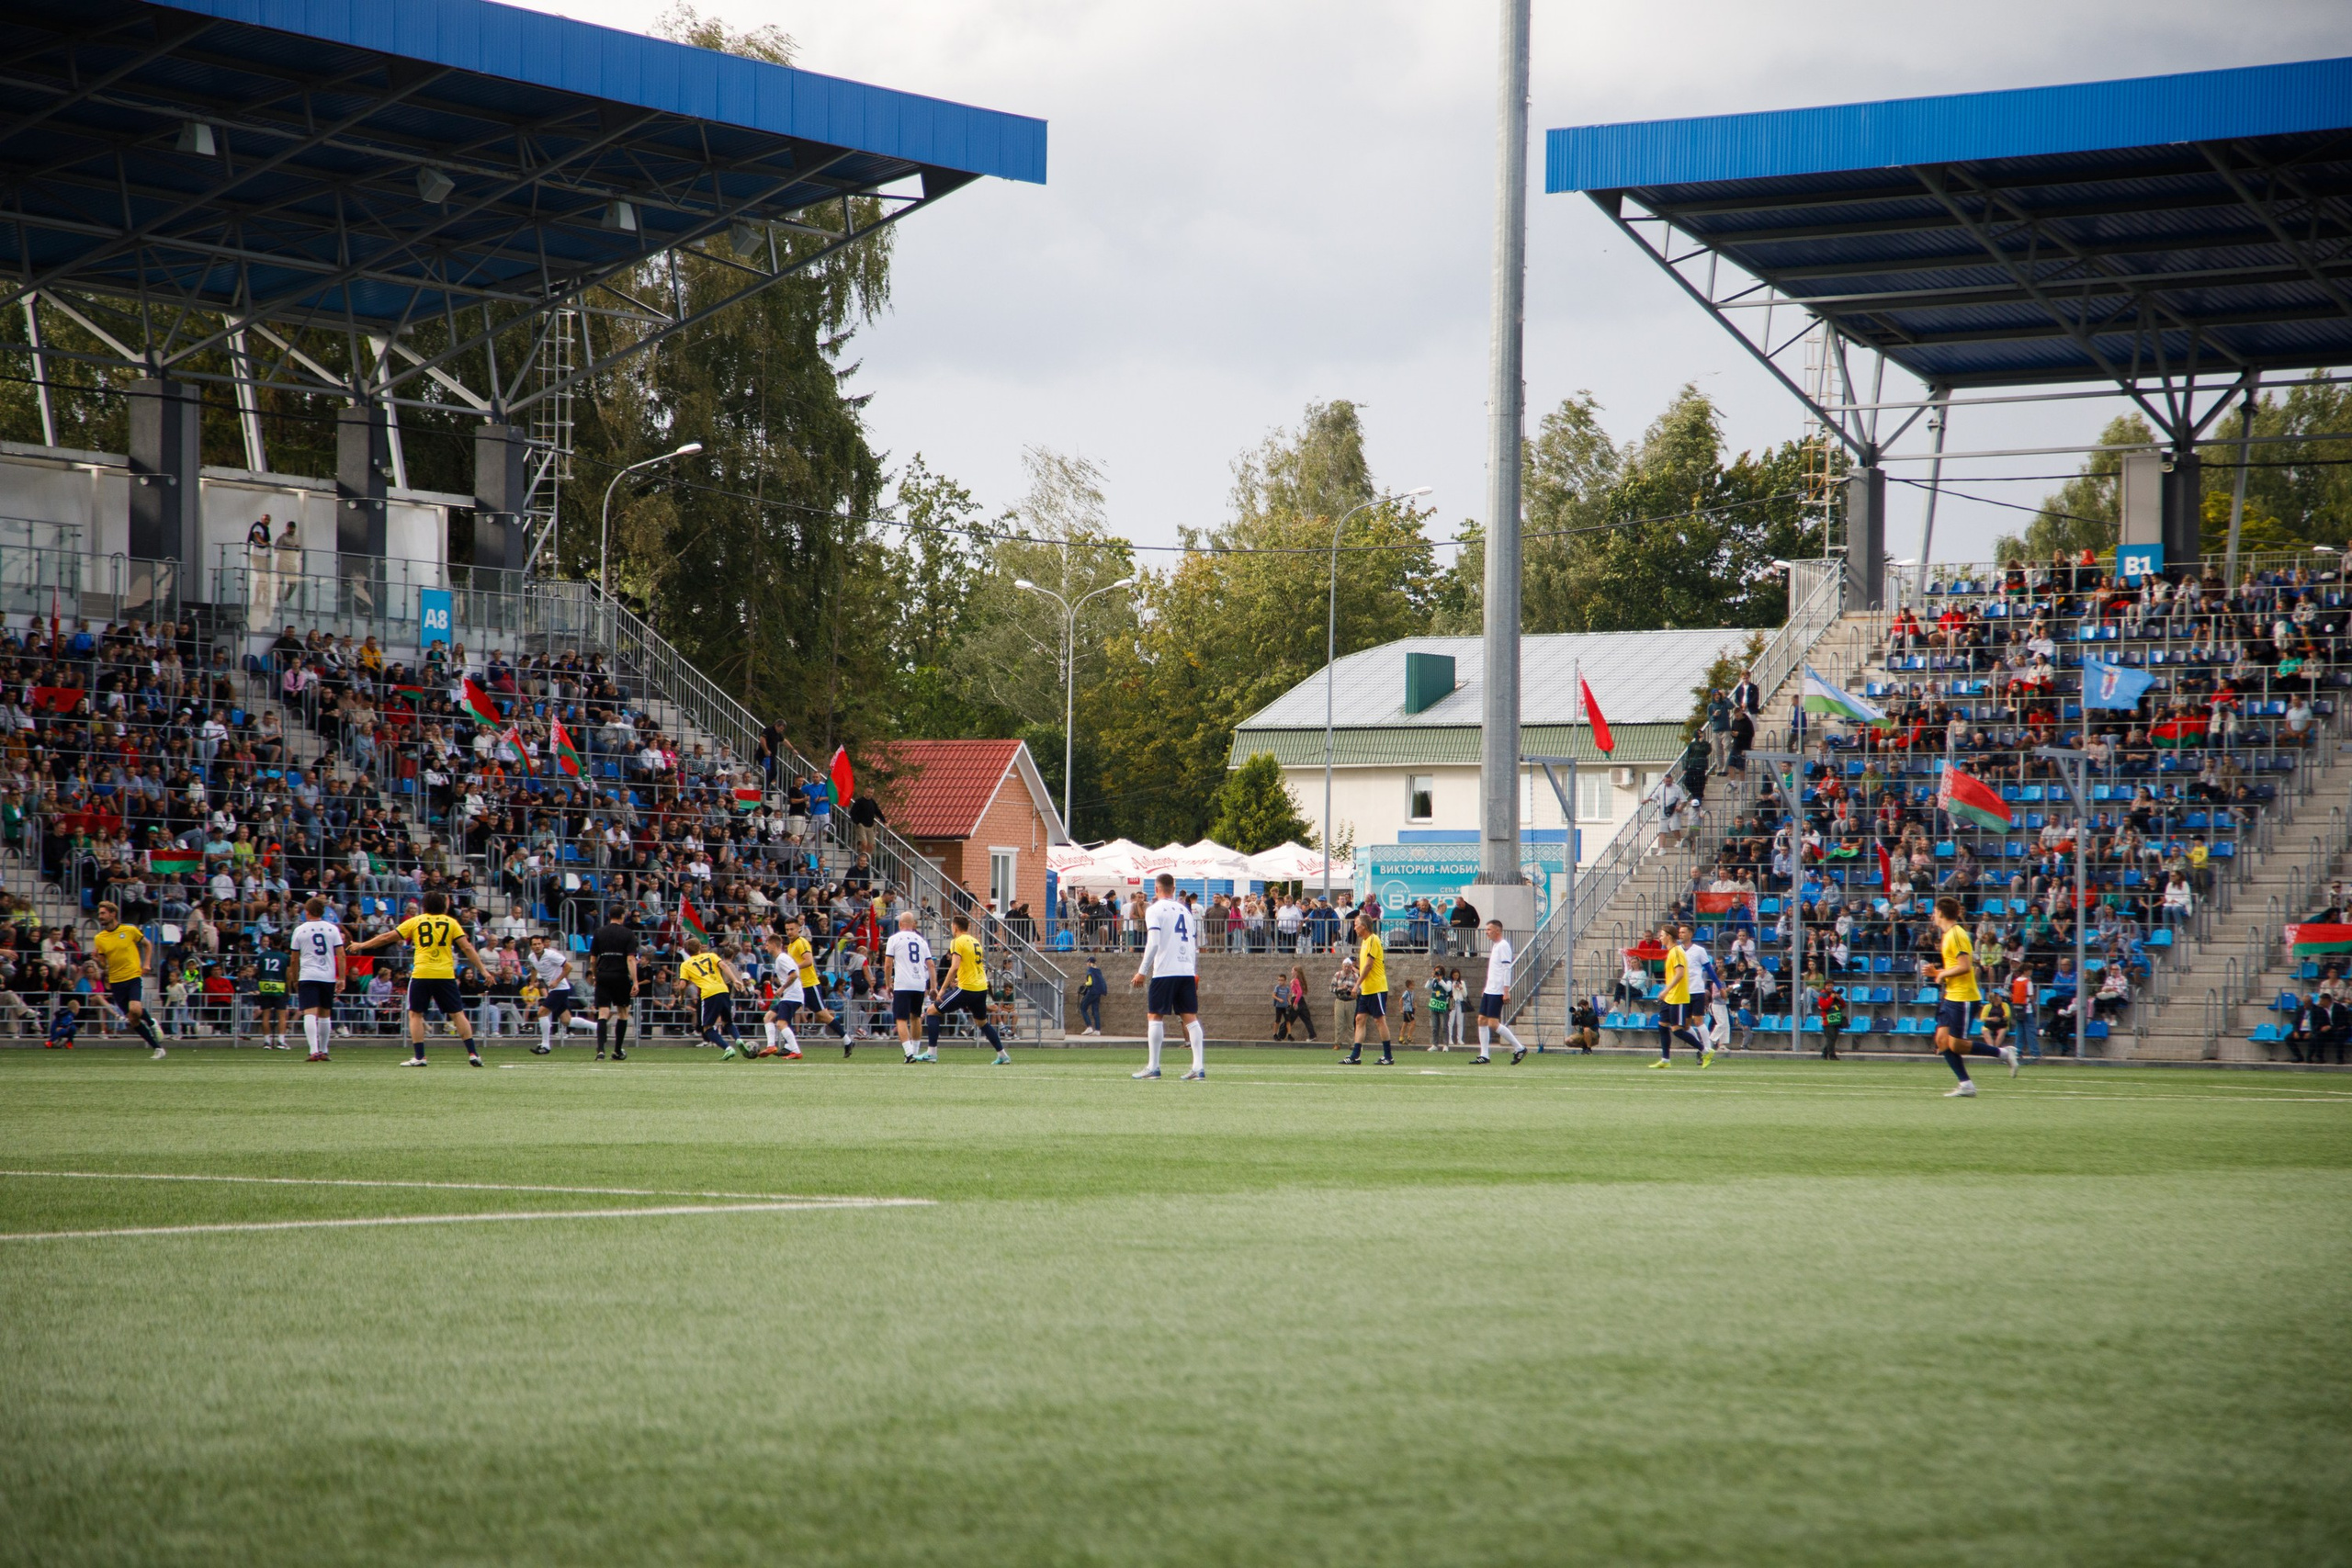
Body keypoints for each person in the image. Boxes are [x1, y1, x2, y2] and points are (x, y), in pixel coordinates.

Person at [347, 890, 487, 1066]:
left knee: (415, 1013)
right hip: (444, 974)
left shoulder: (416, 921)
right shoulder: (451, 922)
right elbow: (467, 948)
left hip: (422, 973)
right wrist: (483, 971)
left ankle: (420, 1057)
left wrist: (361, 945)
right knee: (457, 1013)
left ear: (425, 905)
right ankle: (473, 1054)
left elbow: (386, 937)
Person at [1925, 896, 2018, 1098]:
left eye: (1934, 912)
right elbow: (1955, 967)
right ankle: (1966, 1084)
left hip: (1963, 997)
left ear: (1940, 913)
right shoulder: (1948, 935)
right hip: (1951, 995)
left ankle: (2003, 1053)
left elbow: (1965, 966)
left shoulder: (1956, 934)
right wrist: (1937, 972)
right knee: (1942, 1041)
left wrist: (1941, 975)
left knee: (1957, 1044)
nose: (1932, 915)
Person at [1128, 872, 1204, 1080]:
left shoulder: (1154, 910)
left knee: (1154, 1016)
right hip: (1186, 970)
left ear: (1156, 888)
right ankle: (1198, 1067)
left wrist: (1142, 971)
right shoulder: (1186, 911)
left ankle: (1153, 1066)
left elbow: (1153, 942)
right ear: (1174, 888)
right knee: (1190, 1017)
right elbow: (1192, 944)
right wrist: (1192, 970)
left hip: (1165, 971)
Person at [925, 913, 1010, 1065]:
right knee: (982, 1022)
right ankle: (1003, 1055)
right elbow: (973, 966)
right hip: (981, 987)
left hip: (967, 989)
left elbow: (955, 966)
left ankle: (931, 1053)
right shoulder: (975, 941)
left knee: (931, 1011)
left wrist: (942, 989)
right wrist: (961, 978)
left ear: (955, 927)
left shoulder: (957, 941)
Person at [90, 902, 166, 1058]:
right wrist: (98, 960)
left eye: (103, 913)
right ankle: (158, 1048)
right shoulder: (99, 938)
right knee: (133, 1019)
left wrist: (146, 963)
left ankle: (151, 1022)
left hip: (132, 976)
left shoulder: (129, 930)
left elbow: (147, 944)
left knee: (135, 1009)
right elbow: (104, 964)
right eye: (99, 914)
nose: (100, 916)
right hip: (116, 981)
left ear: (113, 914)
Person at [290, 897, 345, 1062]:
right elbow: (341, 955)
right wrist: (342, 978)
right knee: (325, 1014)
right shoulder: (332, 929)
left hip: (308, 975)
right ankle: (324, 1050)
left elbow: (294, 958)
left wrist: (295, 978)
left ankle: (313, 1051)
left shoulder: (300, 930)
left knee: (309, 1013)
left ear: (307, 912)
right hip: (327, 976)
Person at [1340, 911, 1394, 1066]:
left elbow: (1369, 966)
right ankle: (1355, 1055)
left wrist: (1356, 985)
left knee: (1379, 1020)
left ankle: (1388, 1056)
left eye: (1356, 924)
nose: (1354, 928)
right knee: (1359, 1019)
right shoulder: (1364, 942)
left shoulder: (1372, 939)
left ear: (1363, 926)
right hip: (1367, 988)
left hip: (1376, 987)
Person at [881, 912, 934, 1063]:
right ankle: (915, 1052)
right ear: (914, 924)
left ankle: (909, 1053)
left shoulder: (894, 939)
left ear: (900, 924)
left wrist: (888, 984)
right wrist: (933, 986)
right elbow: (931, 965)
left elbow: (888, 964)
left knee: (901, 1018)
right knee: (916, 1017)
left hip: (903, 983)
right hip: (919, 983)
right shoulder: (921, 940)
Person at [680, 937, 747, 1056]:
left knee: (707, 1028)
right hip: (723, 990)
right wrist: (735, 980)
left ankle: (728, 1049)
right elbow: (724, 966)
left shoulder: (685, 965)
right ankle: (738, 1039)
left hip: (708, 994)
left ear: (686, 952)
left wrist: (681, 996)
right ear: (700, 947)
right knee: (728, 1021)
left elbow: (682, 985)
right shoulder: (711, 955)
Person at [586, 910, 639, 1062]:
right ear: (622, 916)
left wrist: (595, 975)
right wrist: (635, 981)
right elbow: (630, 959)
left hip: (603, 975)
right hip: (620, 976)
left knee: (603, 1013)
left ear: (609, 916)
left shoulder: (599, 932)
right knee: (623, 1013)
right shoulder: (628, 933)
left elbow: (593, 959)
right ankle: (617, 1050)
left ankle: (600, 1050)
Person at [1476, 917, 1529, 1064]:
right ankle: (1484, 1055)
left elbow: (1506, 969)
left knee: (1493, 1023)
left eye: (1489, 930)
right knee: (1481, 1020)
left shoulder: (1504, 945)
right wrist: (1487, 987)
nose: (1487, 932)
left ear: (1497, 930)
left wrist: (1506, 990)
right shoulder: (1495, 946)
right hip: (1490, 989)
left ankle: (1520, 1048)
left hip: (1498, 990)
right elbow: (1494, 970)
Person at [1651, 923, 1705, 1068]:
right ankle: (1665, 1060)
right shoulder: (1671, 952)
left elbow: (1680, 973)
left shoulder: (1676, 952)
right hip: (1670, 996)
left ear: (1669, 937)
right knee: (1662, 1026)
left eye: (1662, 936)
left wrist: (1665, 990)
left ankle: (1705, 1050)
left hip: (1678, 996)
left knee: (1677, 1030)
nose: (1660, 938)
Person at [528, 934, 576, 1056]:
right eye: (534, 944)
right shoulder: (531, 957)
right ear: (531, 946)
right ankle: (598, 1027)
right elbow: (534, 969)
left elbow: (569, 967)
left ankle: (545, 1045)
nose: (537, 946)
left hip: (560, 988)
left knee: (541, 1013)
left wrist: (557, 981)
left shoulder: (551, 955)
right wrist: (532, 984)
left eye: (539, 944)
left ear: (543, 944)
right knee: (567, 1020)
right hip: (554, 989)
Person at [253, 933, 292, 1049]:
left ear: (270, 942)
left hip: (265, 986)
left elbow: (258, 971)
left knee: (266, 1015)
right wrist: (289, 988)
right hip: (279, 987)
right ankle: (281, 1041)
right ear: (281, 943)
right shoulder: (285, 957)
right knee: (282, 1016)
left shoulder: (262, 956)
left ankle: (267, 1042)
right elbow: (288, 975)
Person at [1077, 958, 1106, 1036]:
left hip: (1092, 992)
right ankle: (1097, 1030)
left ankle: (1089, 1027)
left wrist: (1084, 984)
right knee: (1095, 1010)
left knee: (1083, 1008)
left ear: (1089, 962)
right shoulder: (1098, 971)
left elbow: (1090, 983)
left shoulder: (1090, 970)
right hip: (1098, 993)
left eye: (1087, 962)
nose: (1086, 964)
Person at [1424, 967, 1450, 1051]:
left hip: (1443, 1005)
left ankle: (1445, 1045)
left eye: (1438, 972)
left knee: (1444, 1026)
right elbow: (1426, 987)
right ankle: (1435, 1044)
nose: (1437, 974)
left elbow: (1448, 988)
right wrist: (1432, 978)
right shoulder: (1433, 980)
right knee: (1435, 1027)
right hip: (1434, 1005)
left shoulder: (1447, 980)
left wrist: (1441, 980)